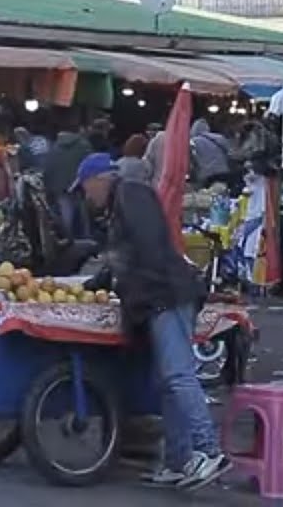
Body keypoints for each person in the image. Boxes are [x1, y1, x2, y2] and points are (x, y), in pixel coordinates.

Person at [75, 153, 231, 489]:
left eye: (87, 188)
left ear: (99, 179)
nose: (87, 197)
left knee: (178, 375)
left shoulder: (131, 194)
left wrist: (133, 287)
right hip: (157, 298)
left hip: (166, 296)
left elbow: (148, 248)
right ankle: (178, 462)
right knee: (167, 383)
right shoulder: (120, 204)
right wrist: (95, 284)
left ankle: (209, 450)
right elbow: (123, 257)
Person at [43, 124, 93, 239]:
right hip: (79, 185)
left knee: (66, 215)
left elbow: (48, 168)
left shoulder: (54, 147)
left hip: (59, 186)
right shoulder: (84, 145)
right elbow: (90, 165)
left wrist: (49, 187)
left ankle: (67, 239)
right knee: (83, 214)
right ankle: (86, 239)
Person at [189, 119, 233, 188]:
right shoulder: (220, 137)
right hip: (223, 171)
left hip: (206, 174)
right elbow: (229, 152)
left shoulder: (194, 141)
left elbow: (192, 159)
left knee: (208, 195)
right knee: (223, 192)